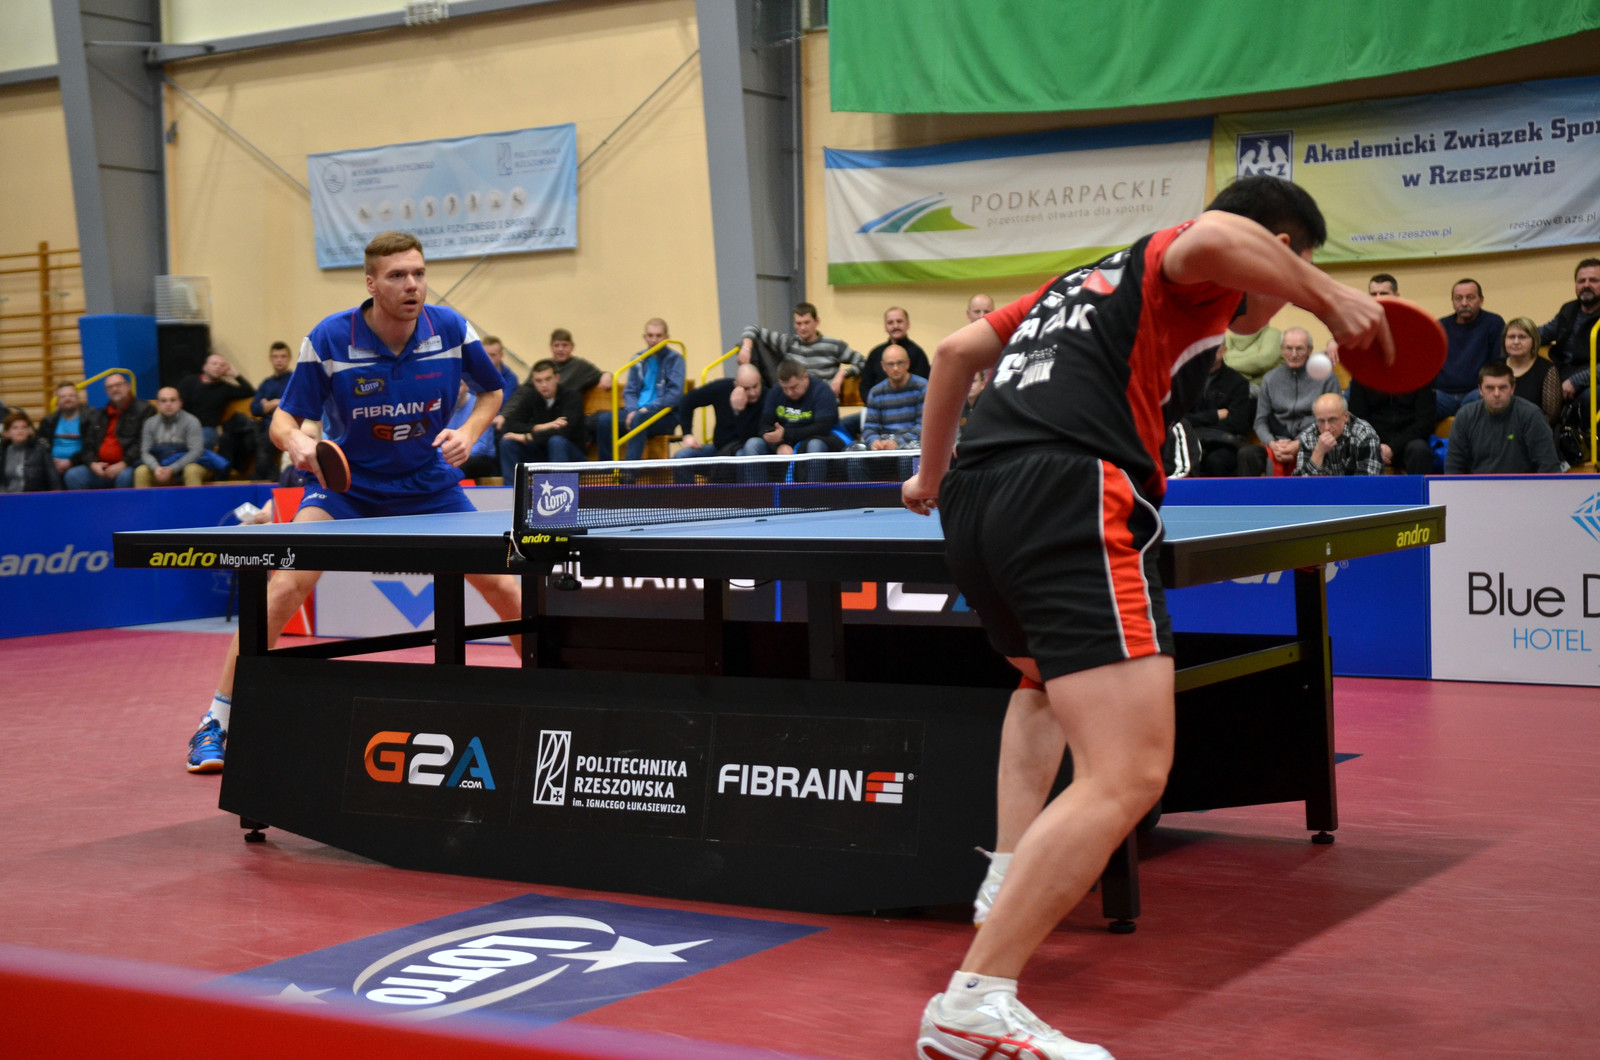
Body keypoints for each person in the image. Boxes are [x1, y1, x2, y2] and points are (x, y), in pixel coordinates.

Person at [901, 175, 1388, 1060]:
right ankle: (974, 1002)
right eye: (1289, 271)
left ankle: (1009, 870)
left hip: (976, 499)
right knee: (1128, 772)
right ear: (1276, 249)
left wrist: (929, 476)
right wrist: (1329, 295)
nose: (1284, 297)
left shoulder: (1075, 285)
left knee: (1039, 682)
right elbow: (1214, 236)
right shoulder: (1193, 265)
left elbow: (952, 351)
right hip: (1068, 491)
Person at [183, 231, 521, 774]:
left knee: (505, 586)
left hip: (429, 484)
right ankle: (216, 721)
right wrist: (298, 444)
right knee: (285, 586)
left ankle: (553, 700)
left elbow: (493, 390)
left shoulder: (452, 329)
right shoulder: (331, 338)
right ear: (371, 283)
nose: (412, 285)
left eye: (418, 273)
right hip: (347, 487)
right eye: (397, 276)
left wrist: (470, 432)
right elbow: (283, 419)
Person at [1237, 327, 1341, 476]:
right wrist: (1272, 444)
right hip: (1277, 442)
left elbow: (1333, 422)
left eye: (1299, 349)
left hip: (1314, 443)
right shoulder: (1270, 379)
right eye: (1288, 348)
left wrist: (1299, 444)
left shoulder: (1327, 378)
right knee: (1247, 454)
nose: (1293, 354)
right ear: (1281, 350)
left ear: (1310, 350)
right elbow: (1260, 421)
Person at [1444, 361, 1561, 474]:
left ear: (1512, 389)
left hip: (1520, 485)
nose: (1496, 394)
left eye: (1503, 387)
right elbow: (1453, 467)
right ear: (1480, 390)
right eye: (1490, 388)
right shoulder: (1465, 416)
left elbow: (1549, 466)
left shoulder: (1531, 415)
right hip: (1477, 485)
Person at [594, 318, 685, 461]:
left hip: (664, 416)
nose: (654, 340)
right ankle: (608, 471)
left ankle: (630, 473)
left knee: (639, 420)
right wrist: (632, 410)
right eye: (650, 335)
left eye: (659, 336)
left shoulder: (675, 359)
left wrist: (647, 409)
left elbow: (674, 395)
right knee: (605, 420)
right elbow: (630, 390)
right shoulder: (638, 359)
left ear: (667, 337)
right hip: (637, 412)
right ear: (644, 337)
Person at [739, 359, 841, 481]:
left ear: (805, 377)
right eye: (785, 388)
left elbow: (822, 427)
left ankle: (813, 492)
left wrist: (786, 434)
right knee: (753, 444)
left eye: (794, 387)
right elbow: (764, 425)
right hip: (783, 443)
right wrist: (778, 445)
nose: (789, 393)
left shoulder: (822, 391)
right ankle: (760, 492)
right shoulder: (775, 392)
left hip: (815, 440)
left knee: (815, 446)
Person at [738, 301, 863, 397]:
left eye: (807, 323)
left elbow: (863, 362)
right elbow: (752, 328)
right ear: (794, 324)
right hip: (794, 403)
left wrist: (842, 374)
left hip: (822, 401)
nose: (802, 328)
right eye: (798, 323)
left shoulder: (834, 346)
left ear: (817, 322)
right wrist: (746, 348)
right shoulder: (788, 342)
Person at [498, 358, 587, 480]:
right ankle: (511, 489)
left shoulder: (572, 397)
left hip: (571, 456)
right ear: (533, 382)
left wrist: (528, 437)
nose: (544, 385)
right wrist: (539, 427)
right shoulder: (531, 397)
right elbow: (512, 424)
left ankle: (559, 488)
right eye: (538, 381)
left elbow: (565, 431)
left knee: (556, 441)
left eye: (548, 379)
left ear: (557, 378)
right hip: (541, 452)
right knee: (507, 443)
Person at [1433, 279, 1505, 420]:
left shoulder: (1494, 323)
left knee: (1485, 399)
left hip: (1476, 392)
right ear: (1452, 302)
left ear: (1481, 300)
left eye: (1470, 297)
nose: (1464, 303)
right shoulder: (1440, 326)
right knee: (1419, 403)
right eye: (1458, 298)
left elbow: (1498, 364)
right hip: (1442, 394)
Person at [1172, 352, 1253, 476]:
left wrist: (1199, 421)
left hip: (1224, 443)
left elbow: (1238, 423)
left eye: (1215, 349)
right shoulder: (1187, 380)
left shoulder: (1238, 382)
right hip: (1190, 438)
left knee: (1216, 461)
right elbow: (1180, 418)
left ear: (1224, 350)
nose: (1210, 352)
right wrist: (1215, 415)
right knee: (1178, 458)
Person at [66, 372, 151, 489]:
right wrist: (93, 464)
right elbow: (88, 444)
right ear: (106, 392)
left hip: (128, 465)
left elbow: (142, 443)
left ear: (128, 386)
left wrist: (124, 463)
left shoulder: (144, 410)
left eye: (118, 385)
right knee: (73, 476)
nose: (114, 389)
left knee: (125, 477)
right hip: (101, 467)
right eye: (110, 387)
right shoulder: (98, 415)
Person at [178, 353, 256, 475]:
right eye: (214, 364)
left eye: (222, 365)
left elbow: (249, 391)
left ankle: (191, 465)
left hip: (207, 429)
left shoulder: (225, 388)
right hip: (185, 427)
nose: (218, 367)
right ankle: (209, 461)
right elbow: (178, 405)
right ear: (205, 367)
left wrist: (235, 374)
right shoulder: (189, 382)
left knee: (204, 441)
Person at [674, 363, 765, 459]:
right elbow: (687, 400)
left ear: (760, 380)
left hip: (744, 449)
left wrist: (739, 412)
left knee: (749, 447)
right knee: (682, 456)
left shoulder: (767, 397)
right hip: (720, 449)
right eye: (746, 388)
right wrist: (687, 434)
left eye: (755, 386)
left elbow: (748, 438)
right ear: (736, 385)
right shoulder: (723, 388)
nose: (752, 393)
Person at [134, 387, 207, 487]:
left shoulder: (192, 421)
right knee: (141, 471)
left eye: (173, 400)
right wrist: (156, 468)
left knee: (192, 470)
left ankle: (195, 498)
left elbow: (196, 452)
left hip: (187, 464)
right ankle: (144, 498)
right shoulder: (150, 423)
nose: (168, 404)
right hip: (159, 465)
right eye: (163, 401)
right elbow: (145, 452)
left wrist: (173, 468)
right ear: (158, 404)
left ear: (180, 403)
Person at [1293, 392, 1381, 476]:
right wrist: (1318, 452)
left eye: (1332, 420)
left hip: (1354, 487)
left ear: (1346, 417)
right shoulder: (1308, 436)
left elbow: (1369, 480)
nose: (1326, 427)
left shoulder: (1363, 433)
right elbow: (1300, 484)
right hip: (1324, 488)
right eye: (1321, 421)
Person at [1501, 316, 1561, 425]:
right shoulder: (1495, 367)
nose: (1516, 342)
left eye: (1522, 337)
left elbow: (1550, 416)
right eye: (1511, 337)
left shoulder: (1548, 370)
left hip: (1532, 429)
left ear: (1534, 341)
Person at [859, 307, 931, 395]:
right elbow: (865, 386)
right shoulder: (875, 354)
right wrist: (874, 401)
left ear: (908, 325)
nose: (895, 326)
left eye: (899, 321)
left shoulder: (918, 354)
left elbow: (923, 388)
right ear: (885, 327)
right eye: (890, 323)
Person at [252, 341, 295, 480]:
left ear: (289, 359)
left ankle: (261, 478)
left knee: (265, 438)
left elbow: (294, 405)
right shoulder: (266, 383)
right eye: (275, 357)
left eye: (283, 356)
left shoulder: (294, 380)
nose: (279, 360)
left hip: (286, 424)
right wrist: (275, 403)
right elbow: (255, 409)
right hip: (264, 425)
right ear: (271, 359)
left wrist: (269, 404)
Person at [38, 382, 93, 481]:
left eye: (71, 396)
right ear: (58, 401)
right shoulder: (48, 421)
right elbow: (41, 445)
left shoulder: (90, 419)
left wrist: (71, 462)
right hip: (53, 466)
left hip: (80, 464)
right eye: (63, 397)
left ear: (78, 398)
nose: (67, 399)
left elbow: (92, 447)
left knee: (72, 476)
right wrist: (51, 463)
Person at [1, 410, 62, 492]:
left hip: (34, 495)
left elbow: (52, 476)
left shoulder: (41, 450)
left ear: (29, 431)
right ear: (7, 433)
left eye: (24, 427)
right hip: (8, 496)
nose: (20, 431)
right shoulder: (3, 452)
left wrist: (56, 493)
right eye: (15, 428)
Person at [1220, 321, 1281, 391]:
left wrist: (1226, 364)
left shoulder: (1272, 334)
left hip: (1262, 389)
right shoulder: (1227, 339)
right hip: (1233, 386)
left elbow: (1263, 361)